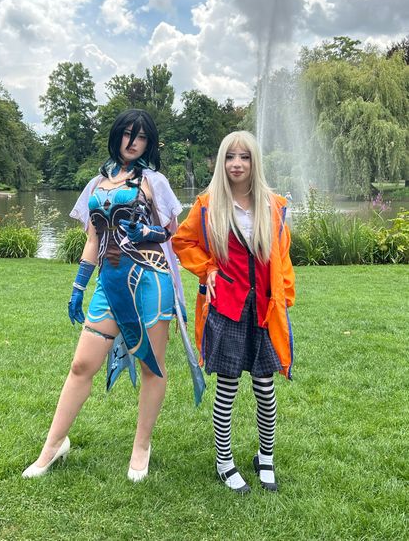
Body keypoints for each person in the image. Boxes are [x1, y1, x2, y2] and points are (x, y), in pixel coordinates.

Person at [22, 109, 185, 482]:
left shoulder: (155, 181)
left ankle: (141, 446)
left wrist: (145, 232)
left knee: (152, 365)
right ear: (116, 136)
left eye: (140, 136)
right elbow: (93, 239)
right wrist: (79, 286)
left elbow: (172, 232)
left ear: (148, 142)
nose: (132, 142)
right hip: (108, 282)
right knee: (82, 364)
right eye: (127, 134)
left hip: (150, 280)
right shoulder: (97, 184)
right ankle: (53, 445)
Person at [172, 131, 295, 493]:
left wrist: (284, 295)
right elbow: (182, 241)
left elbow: (282, 256)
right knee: (227, 388)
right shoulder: (208, 205)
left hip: (264, 310)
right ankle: (224, 461)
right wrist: (208, 268)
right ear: (221, 162)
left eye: (244, 157)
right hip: (226, 307)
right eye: (229, 157)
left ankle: (265, 457)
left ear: (255, 161)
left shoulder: (274, 206)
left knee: (265, 388)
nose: (236, 164)